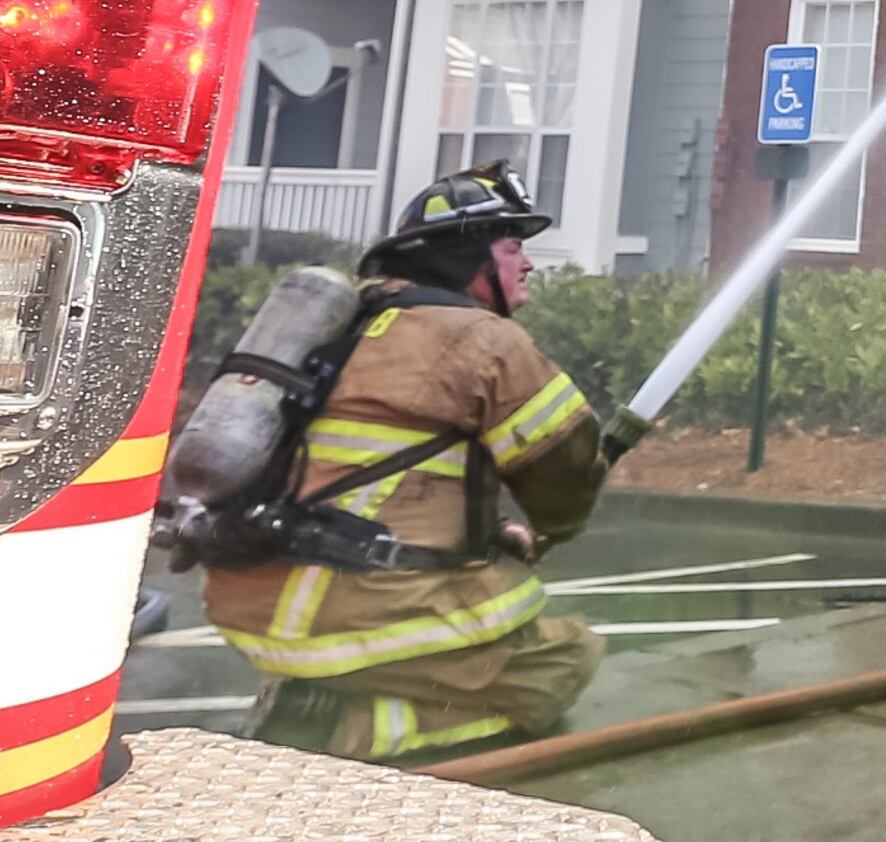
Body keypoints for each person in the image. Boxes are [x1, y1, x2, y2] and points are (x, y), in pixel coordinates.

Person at [210, 163, 608, 762]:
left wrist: (492, 531)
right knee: (563, 660)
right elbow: (563, 489)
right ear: (469, 256)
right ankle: (350, 731)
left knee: (464, 635)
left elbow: (350, 481)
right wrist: (563, 513)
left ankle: (326, 690)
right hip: (359, 619)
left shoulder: (347, 324)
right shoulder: (485, 340)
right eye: (512, 247)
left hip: (250, 602)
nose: (527, 264)